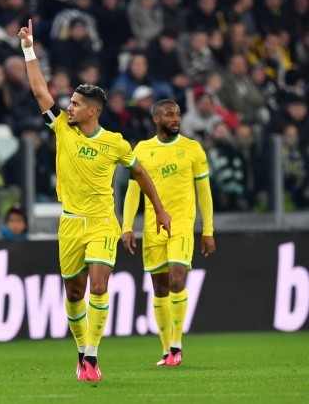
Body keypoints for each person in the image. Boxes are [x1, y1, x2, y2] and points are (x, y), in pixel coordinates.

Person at [18, 20, 171, 382]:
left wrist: (160, 209)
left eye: (74, 104)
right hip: (69, 222)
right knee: (74, 294)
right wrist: (28, 49)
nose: (67, 107)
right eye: (68, 103)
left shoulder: (115, 142)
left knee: (99, 286)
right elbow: (41, 93)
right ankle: (81, 351)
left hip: (103, 220)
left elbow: (140, 172)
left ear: (92, 111)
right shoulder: (62, 129)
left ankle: (91, 357)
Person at [121, 99, 216, 367]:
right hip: (152, 229)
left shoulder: (192, 149)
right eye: (169, 115)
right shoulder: (142, 149)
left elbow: (204, 193)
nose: (176, 119)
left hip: (182, 225)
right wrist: (127, 226)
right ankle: (166, 350)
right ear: (156, 119)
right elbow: (133, 191)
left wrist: (207, 230)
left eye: (178, 114)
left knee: (177, 280)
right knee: (160, 288)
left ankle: (177, 345)